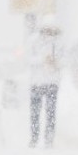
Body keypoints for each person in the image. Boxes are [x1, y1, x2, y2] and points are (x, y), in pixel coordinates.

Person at [28, 17, 62, 147]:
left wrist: (56, 62)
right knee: (35, 113)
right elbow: (28, 59)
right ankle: (34, 138)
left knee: (50, 113)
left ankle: (49, 139)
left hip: (52, 82)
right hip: (36, 82)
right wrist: (43, 59)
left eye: (51, 30)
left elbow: (64, 60)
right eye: (47, 30)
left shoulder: (59, 43)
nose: (49, 33)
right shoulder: (33, 41)